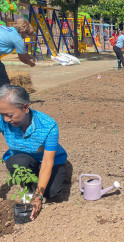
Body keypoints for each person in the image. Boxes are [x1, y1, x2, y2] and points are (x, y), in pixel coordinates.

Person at [0, 85, 67, 220]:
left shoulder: (48, 125)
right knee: (19, 162)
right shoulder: (3, 120)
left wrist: (38, 197)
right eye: (2, 114)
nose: (6, 119)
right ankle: (29, 187)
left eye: (10, 115)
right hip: (22, 158)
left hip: (48, 160)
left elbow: (48, 161)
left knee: (52, 193)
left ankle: (44, 179)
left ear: (25, 108)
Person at [0, 19, 36, 87]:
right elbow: (23, 59)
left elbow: (22, 52)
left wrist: (28, 55)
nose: (27, 37)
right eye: (27, 35)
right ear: (23, 32)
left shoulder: (5, 28)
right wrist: (31, 64)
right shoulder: (17, 39)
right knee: (4, 83)